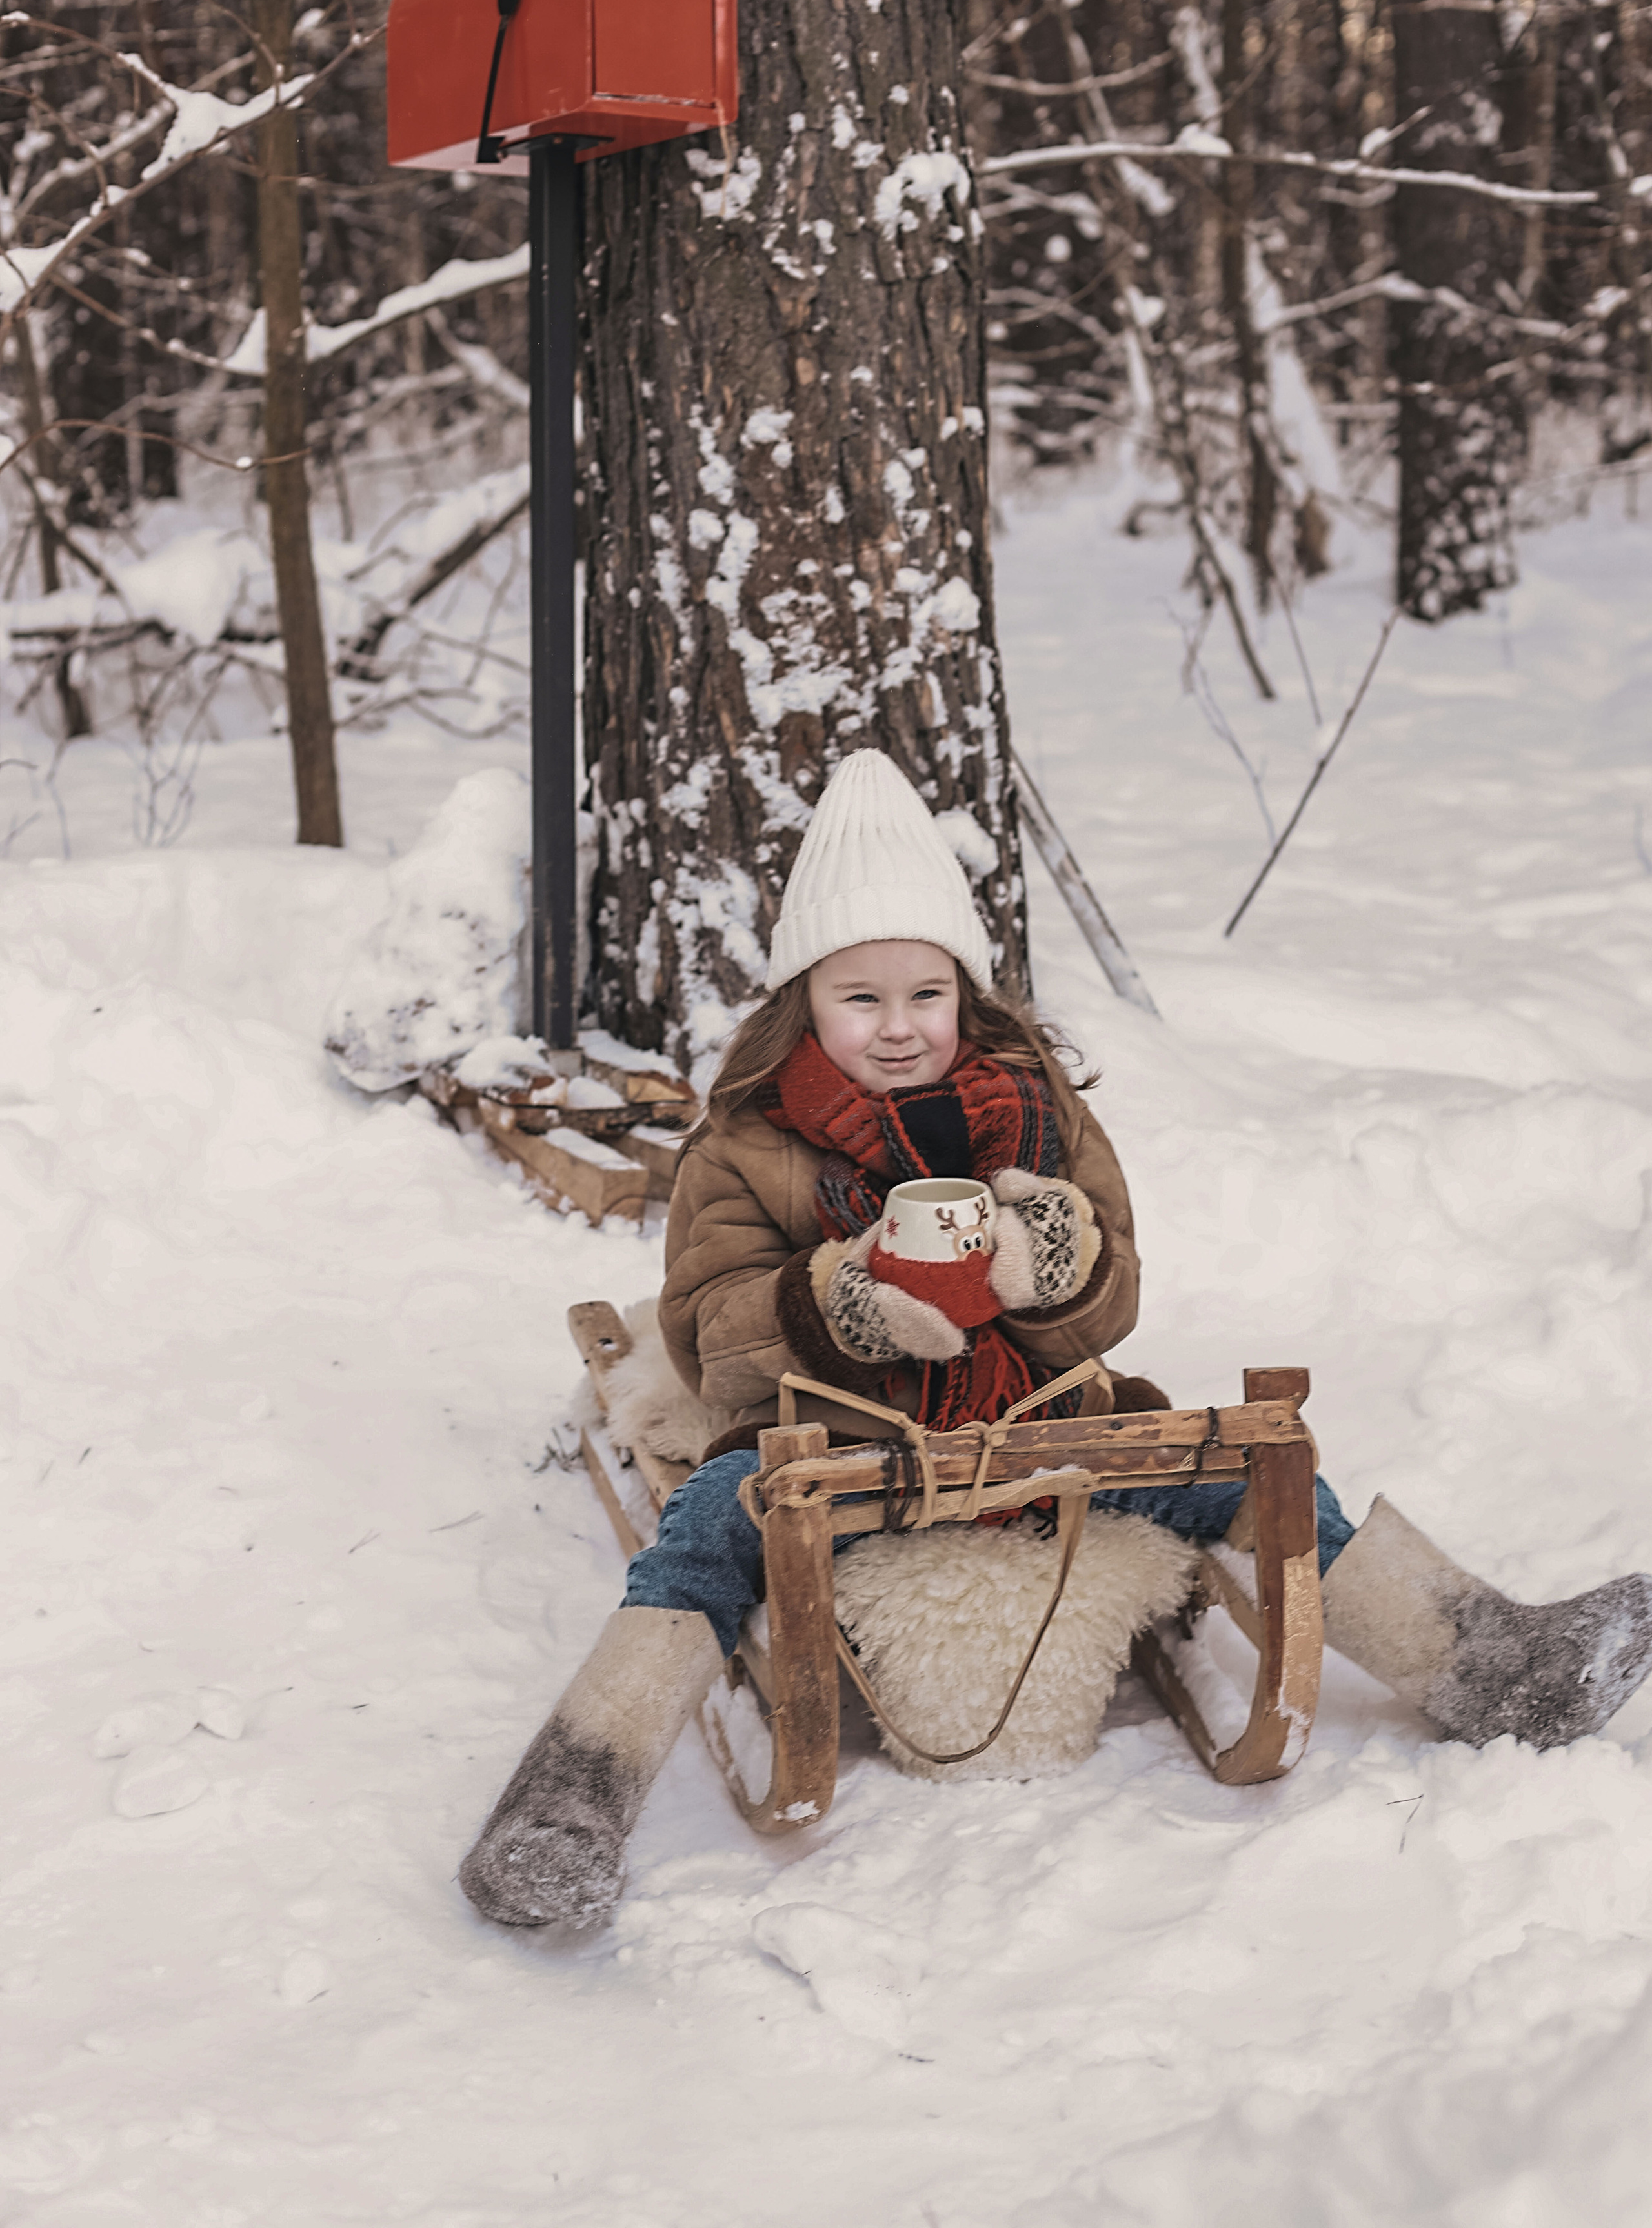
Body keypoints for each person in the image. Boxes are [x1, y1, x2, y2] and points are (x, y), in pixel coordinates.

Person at [461, 750, 1652, 1930]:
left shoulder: (1036, 1108)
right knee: (706, 1531)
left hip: (1042, 1418)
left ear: (966, 994)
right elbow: (714, 1328)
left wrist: (1055, 1263)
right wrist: (847, 1305)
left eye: (924, 995)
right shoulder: (746, 1144)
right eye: (859, 998)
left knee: (1249, 1467)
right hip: (834, 1433)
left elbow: (1114, 1289)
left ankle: (1497, 1664)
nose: (896, 1028)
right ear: (804, 1003)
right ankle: (565, 1809)